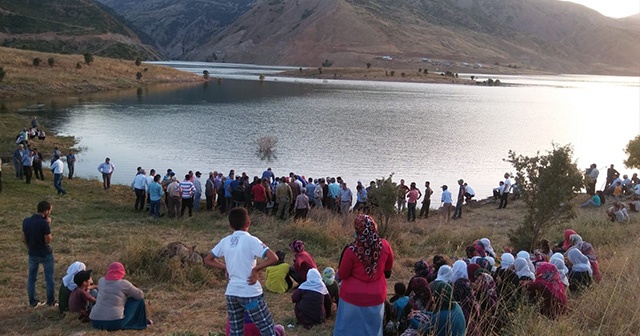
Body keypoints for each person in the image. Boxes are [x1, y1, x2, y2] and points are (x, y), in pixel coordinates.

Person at [204, 207, 279, 336]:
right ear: (248, 223)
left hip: (232, 294)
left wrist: (225, 267)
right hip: (250, 293)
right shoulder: (251, 241)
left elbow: (208, 259)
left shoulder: (225, 241)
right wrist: (256, 269)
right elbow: (274, 257)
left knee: (236, 331)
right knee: (267, 328)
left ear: (230, 225)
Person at [334, 215, 394, 336]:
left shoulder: (351, 250)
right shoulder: (385, 245)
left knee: (349, 328)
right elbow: (388, 271)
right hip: (376, 295)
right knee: (372, 329)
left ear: (357, 229)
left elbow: (343, 274)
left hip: (352, 297)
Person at [89, 262, 149, 330]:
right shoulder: (123, 283)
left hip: (95, 321)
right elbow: (140, 295)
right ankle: (139, 321)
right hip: (114, 322)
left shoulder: (101, 281)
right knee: (138, 300)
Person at [23, 201, 56, 307]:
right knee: (49, 278)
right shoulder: (44, 223)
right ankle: (50, 302)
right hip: (45, 253)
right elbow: (48, 240)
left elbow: (23, 239)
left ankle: (32, 302)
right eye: (50, 210)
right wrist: (47, 225)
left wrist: (30, 247)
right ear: (46, 211)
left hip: (32, 253)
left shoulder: (26, 221)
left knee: (32, 278)